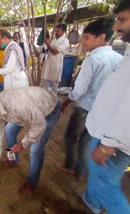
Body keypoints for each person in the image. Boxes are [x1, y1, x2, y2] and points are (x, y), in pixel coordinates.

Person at [56, 17, 123, 181]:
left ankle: (70, 165)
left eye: (86, 37)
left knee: (71, 137)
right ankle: (81, 172)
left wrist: (67, 101)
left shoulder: (92, 59)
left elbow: (79, 90)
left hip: (85, 108)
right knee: (87, 141)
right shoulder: (120, 59)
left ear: (101, 37)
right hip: (104, 111)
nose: (83, 41)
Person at [82, 1, 130, 213]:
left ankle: (95, 200)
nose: (116, 26)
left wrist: (108, 144)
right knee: (97, 173)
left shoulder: (93, 59)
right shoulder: (123, 54)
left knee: (105, 184)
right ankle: (91, 201)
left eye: (122, 19)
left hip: (114, 139)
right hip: (104, 129)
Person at [0, 88, 61, 199]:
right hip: (26, 111)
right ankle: (14, 160)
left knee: (36, 149)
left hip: (49, 109)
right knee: (9, 131)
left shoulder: (17, 104)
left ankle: (32, 183)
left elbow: (39, 125)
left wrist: (22, 143)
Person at [41, 24, 69, 94]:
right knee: (45, 81)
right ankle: (44, 97)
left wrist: (48, 44)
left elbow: (55, 52)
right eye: (55, 31)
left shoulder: (65, 41)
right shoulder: (54, 40)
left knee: (54, 84)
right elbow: (50, 48)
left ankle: (54, 100)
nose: (56, 33)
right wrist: (49, 43)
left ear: (63, 32)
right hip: (49, 63)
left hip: (56, 65)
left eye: (58, 31)